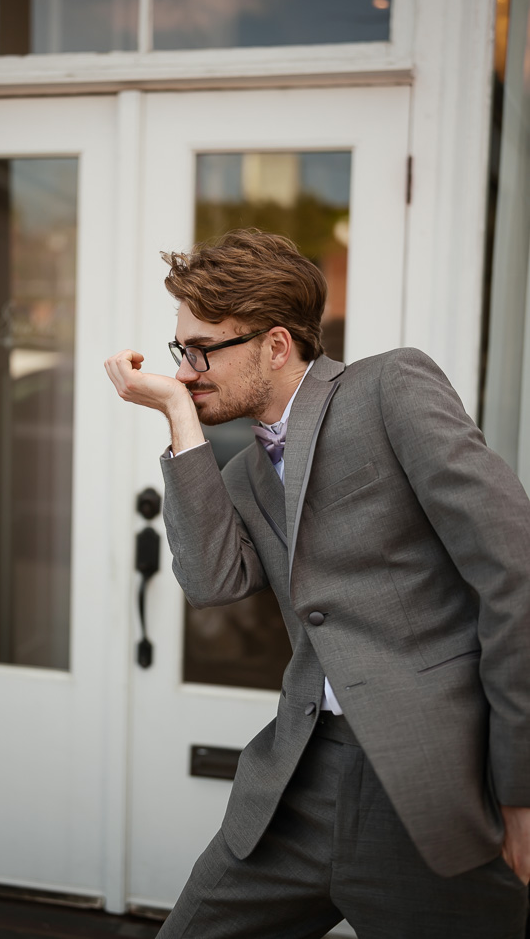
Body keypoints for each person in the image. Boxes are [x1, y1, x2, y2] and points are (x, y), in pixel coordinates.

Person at [104, 229, 530, 938]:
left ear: (276, 344)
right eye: (183, 350)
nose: (187, 369)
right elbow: (211, 584)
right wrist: (180, 419)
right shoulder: (239, 473)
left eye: (202, 349)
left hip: (430, 780)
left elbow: (514, 572)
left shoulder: (389, 387)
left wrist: (521, 785)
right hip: (296, 783)